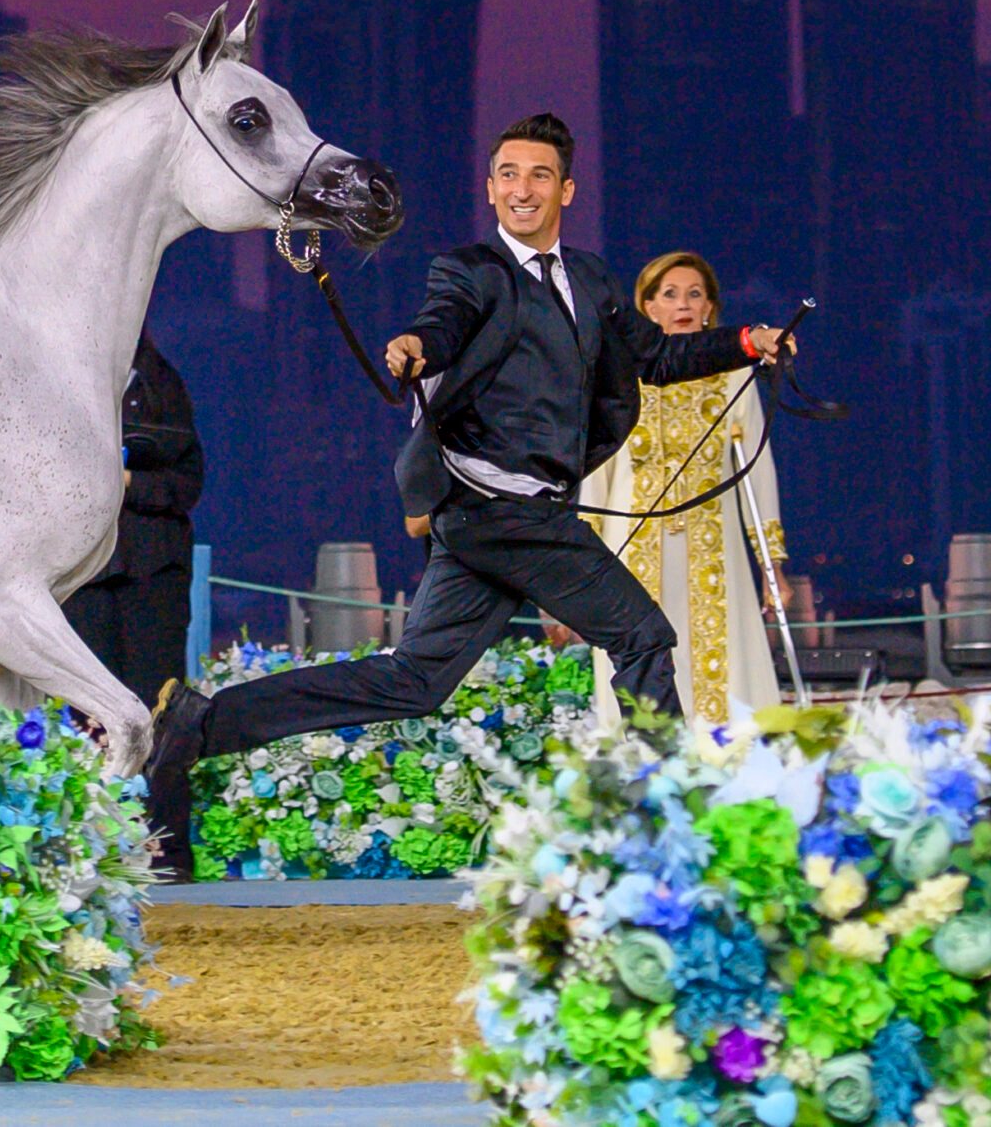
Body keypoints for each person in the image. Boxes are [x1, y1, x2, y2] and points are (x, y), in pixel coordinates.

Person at [144, 113, 788, 874]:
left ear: (567, 189)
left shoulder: (592, 281)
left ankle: (196, 723)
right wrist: (417, 346)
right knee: (643, 636)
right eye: (509, 174)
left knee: (414, 681)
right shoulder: (472, 271)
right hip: (500, 510)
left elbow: (654, 355)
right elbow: (441, 324)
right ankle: (664, 830)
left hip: (503, 519)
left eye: (539, 174)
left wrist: (746, 341)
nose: (523, 188)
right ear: (490, 190)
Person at [573, 250, 787, 725]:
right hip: (630, 549)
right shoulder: (619, 372)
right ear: (648, 307)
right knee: (636, 656)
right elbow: (595, 475)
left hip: (715, 548)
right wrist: (577, 565)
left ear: (710, 307)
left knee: (721, 660)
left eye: (695, 294)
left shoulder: (732, 372)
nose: (683, 304)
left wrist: (771, 565)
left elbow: (757, 468)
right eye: (669, 294)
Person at [62, 329, 204, 709]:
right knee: (88, 708)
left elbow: (188, 484)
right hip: (82, 576)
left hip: (153, 569)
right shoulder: (60, 380)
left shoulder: (160, 383)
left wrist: (126, 481)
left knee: (156, 701)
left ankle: (159, 768)